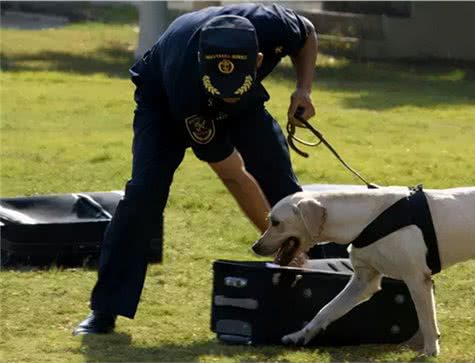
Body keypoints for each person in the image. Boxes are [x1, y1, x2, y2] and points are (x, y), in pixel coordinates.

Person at [73, 3, 317, 335]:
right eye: (222, 90)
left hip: (242, 101)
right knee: (145, 193)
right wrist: (278, 240)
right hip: (163, 102)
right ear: (204, 65)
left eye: (235, 90)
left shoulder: (271, 23)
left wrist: (303, 90)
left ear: (257, 61)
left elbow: (307, 35)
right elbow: (233, 174)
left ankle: (323, 284)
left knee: (279, 180)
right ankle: (106, 309)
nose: (227, 100)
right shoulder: (185, 82)